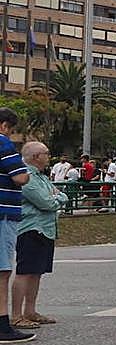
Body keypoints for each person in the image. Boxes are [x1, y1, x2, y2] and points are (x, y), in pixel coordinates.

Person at [10, 142, 65, 332]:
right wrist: (57, 198)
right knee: (25, 271)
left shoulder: (41, 176)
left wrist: (57, 197)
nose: (49, 157)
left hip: (45, 229)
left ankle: (30, 311)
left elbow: (57, 195)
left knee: (37, 271)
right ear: (35, 157)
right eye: (46, 153)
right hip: (31, 228)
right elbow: (46, 202)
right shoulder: (29, 176)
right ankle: (16, 315)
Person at [0, 108, 31, 343]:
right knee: (2, 272)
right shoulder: (3, 144)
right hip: (4, 215)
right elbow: (20, 177)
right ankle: (2, 325)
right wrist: (26, 172)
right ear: (4, 126)